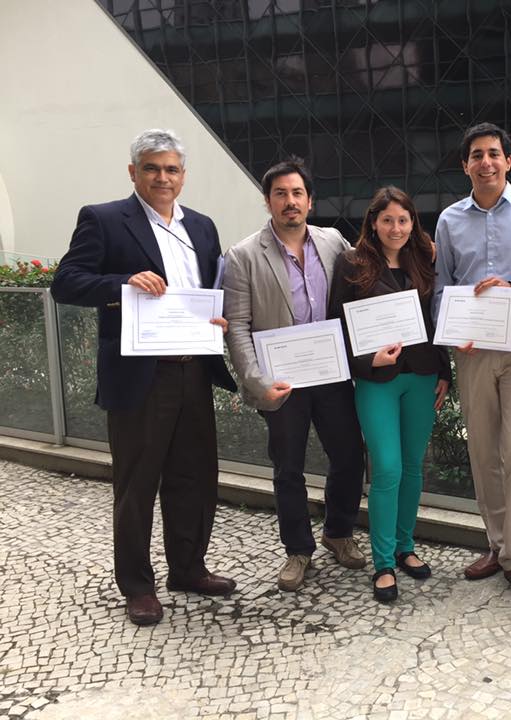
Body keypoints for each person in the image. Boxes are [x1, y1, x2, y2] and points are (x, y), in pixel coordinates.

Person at [51, 129, 238, 626]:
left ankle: (188, 569)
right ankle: (137, 586)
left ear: (183, 176)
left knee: (194, 477)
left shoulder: (202, 226)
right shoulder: (104, 219)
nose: (162, 177)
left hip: (194, 368)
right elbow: (65, 283)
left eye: (171, 169)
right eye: (152, 168)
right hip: (140, 375)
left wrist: (217, 318)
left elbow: (211, 287)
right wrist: (123, 284)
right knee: (137, 486)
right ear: (134, 172)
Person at [223, 158, 366, 592]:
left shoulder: (333, 242)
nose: (290, 201)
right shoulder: (243, 255)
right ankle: (298, 550)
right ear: (267, 201)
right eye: (281, 194)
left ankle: (338, 532)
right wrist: (257, 382)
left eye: (297, 193)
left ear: (310, 201)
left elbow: (368, 277)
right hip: (281, 381)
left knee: (350, 456)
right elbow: (238, 326)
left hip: (331, 374)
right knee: (288, 467)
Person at [433, 123, 511, 601]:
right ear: (465, 165)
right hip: (471, 351)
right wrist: (451, 332)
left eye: (493, 153)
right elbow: (441, 287)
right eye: (476, 155)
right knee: (483, 451)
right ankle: (497, 544)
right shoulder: (449, 220)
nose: (485, 162)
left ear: (508, 160)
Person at [328, 186, 452, 602]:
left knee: (413, 467)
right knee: (386, 468)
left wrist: (445, 371)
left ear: (413, 223)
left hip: (422, 375)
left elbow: (435, 320)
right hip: (376, 379)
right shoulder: (352, 263)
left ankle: (404, 547)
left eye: (403, 220)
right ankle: (383, 562)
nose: (395, 228)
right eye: (387, 220)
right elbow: (337, 325)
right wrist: (367, 362)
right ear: (373, 222)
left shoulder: (424, 260)